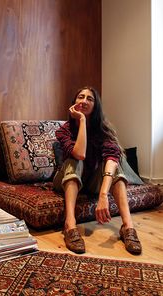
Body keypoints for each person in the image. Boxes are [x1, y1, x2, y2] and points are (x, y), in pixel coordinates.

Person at [53, 86, 142, 255]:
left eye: (90, 99)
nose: (84, 101)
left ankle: (128, 227)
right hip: (65, 180)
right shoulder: (64, 130)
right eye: (81, 97)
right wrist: (82, 122)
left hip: (91, 182)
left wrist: (103, 195)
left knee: (114, 163)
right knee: (75, 159)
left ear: (96, 106)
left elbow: (111, 157)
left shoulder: (104, 130)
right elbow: (79, 153)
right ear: (74, 103)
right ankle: (70, 225)